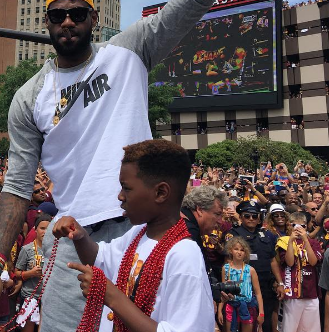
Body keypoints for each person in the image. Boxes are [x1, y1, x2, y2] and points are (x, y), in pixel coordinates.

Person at [0, 0, 274, 328]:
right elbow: (16, 184)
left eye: (77, 13)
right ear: (46, 25)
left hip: (149, 234)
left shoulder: (129, 51)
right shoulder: (29, 98)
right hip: (77, 242)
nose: (67, 22)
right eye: (57, 16)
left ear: (94, 19)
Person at [52, 139, 213, 332]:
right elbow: (100, 258)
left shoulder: (184, 256)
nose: (120, 196)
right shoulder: (138, 234)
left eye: (126, 188)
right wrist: (81, 237)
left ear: (161, 193)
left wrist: (111, 296)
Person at [225, 200, 283, 332]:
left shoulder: (266, 234)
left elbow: (272, 260)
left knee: (265, 321)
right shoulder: (233, 234)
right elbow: (228, 261)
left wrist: (280, 283)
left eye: (254, 216)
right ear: (240, 217)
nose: (251, 219)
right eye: (247, 216)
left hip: (266, 286)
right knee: (243, 323)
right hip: (244, 287)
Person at [275, 211, 323, 332]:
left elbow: (313, 262)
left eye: (302, 226)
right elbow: (290, 262)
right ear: (289, 226)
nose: (298, 228)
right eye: (294, 225)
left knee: (311, 329)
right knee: (290, 329)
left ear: (307, 226)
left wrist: (306, 240)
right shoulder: (284, 241)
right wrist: (291, 241)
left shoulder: (313, 243)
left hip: (311, 292)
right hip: (292, 294)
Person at [217, 236, 264, 331]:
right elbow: (223, 291)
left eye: (242, 250)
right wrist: (219, 311)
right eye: (236, 249)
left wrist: (261, 313)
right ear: (231, 251)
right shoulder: (225, 269)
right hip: (231, 305)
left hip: (247, 306)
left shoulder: (250, 270)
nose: (239, 252)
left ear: (245, 253)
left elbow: (258, 293)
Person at [14, 214, 51, 331]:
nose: (45, 232)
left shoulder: (55, 250)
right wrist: (30, 273)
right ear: (35, 229)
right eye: (42, 228)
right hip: (30, 296)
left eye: (48, 229)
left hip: (48, 297)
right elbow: (17, 272)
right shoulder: (27, 249)